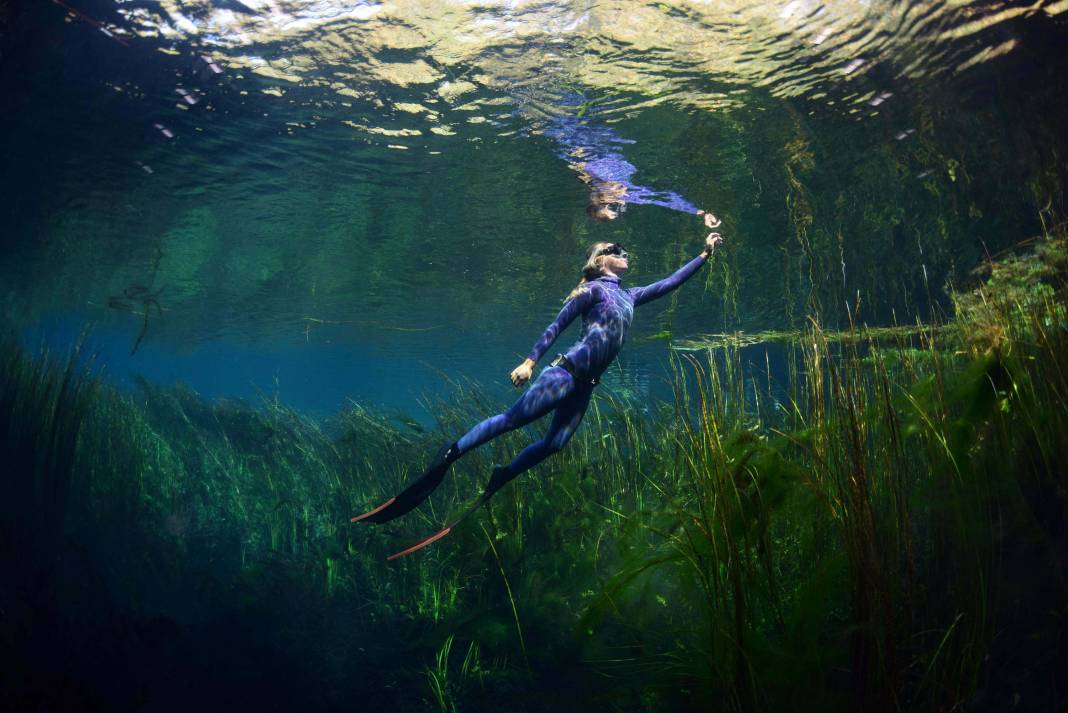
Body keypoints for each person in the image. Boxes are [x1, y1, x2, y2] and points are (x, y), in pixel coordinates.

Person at [353, 223, 725, 560]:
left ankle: (503, 474)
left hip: (584, 387)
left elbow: (671, 282)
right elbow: (557, 324)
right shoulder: (592, 290)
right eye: (617, 248)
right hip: (563, 374)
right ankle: (451, 454)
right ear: (599, 261)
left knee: (555, 444)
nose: (625, 253)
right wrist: (530, 362)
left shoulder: (630, 296)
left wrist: (704, 254)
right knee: (512, 420)